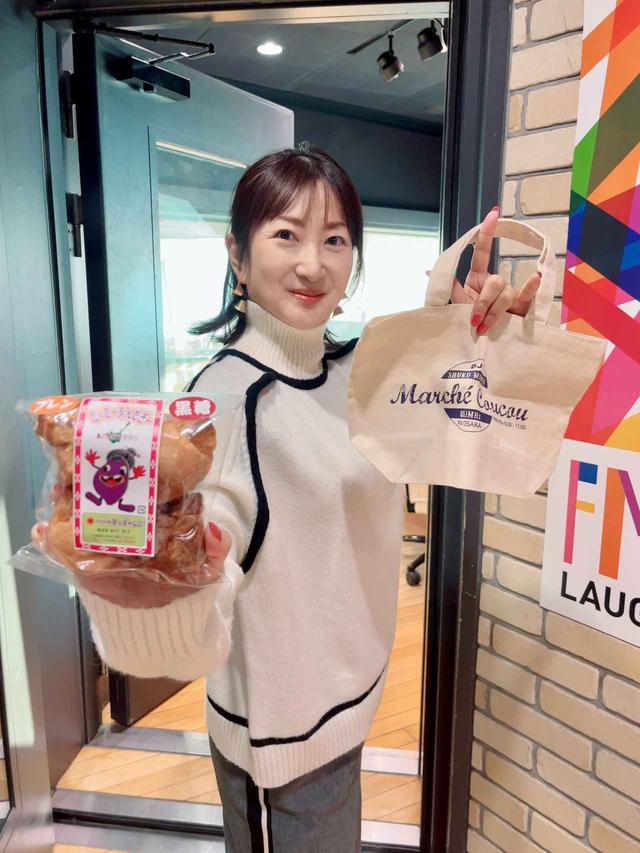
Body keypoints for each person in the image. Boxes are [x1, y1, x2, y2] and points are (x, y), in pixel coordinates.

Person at [70, 145, 542, 851]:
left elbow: (453, 429)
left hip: (350, 700)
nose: (313, 264)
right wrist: (157, 585)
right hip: (282, 745)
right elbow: (208, 562)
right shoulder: (221, 399)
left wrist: (477, 338)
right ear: (238, 254)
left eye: (335, 240)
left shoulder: (356, 371)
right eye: (286, 234)